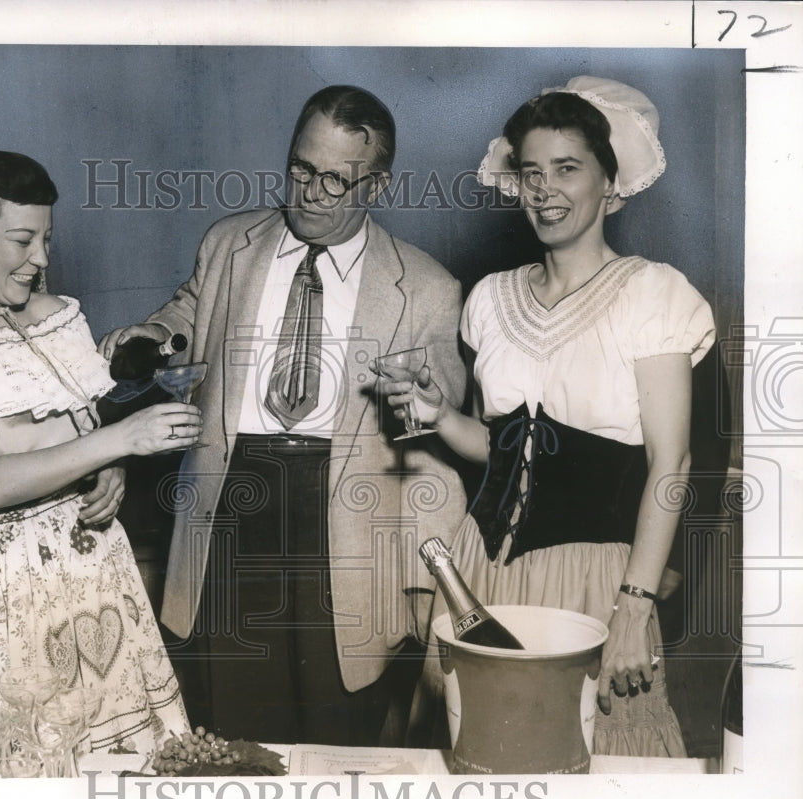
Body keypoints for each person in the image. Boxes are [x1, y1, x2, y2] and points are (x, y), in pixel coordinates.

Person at [99, 86, 467, 746]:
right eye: (301, 169)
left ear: (377, 185)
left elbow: (439, 424)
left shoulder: (429, 288)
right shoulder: (228, 243)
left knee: (337, 735)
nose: (312, 193)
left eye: (336, 179)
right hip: (232, 499)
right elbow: (185, 316)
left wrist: (421, 397)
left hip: (347, 521)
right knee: (233, 735)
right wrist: (148, 339)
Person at [382, 76, 715, 755]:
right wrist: (439, 415)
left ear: (609, 183)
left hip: (596, 581)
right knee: (479, 757)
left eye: (567, 169)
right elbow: (497, 447)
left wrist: (634, 605)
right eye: (531, 172)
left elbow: (670, 465)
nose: (544, 189)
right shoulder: (490, 299)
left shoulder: (653, 294)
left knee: (593, 760)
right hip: (483, 572)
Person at [0, 149, 199, 754]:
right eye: (22, 240)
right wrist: (123, 439)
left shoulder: (57, 321)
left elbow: (77, 436)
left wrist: (109, 467)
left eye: (47, 239)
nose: (42, 260)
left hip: (88, 573)